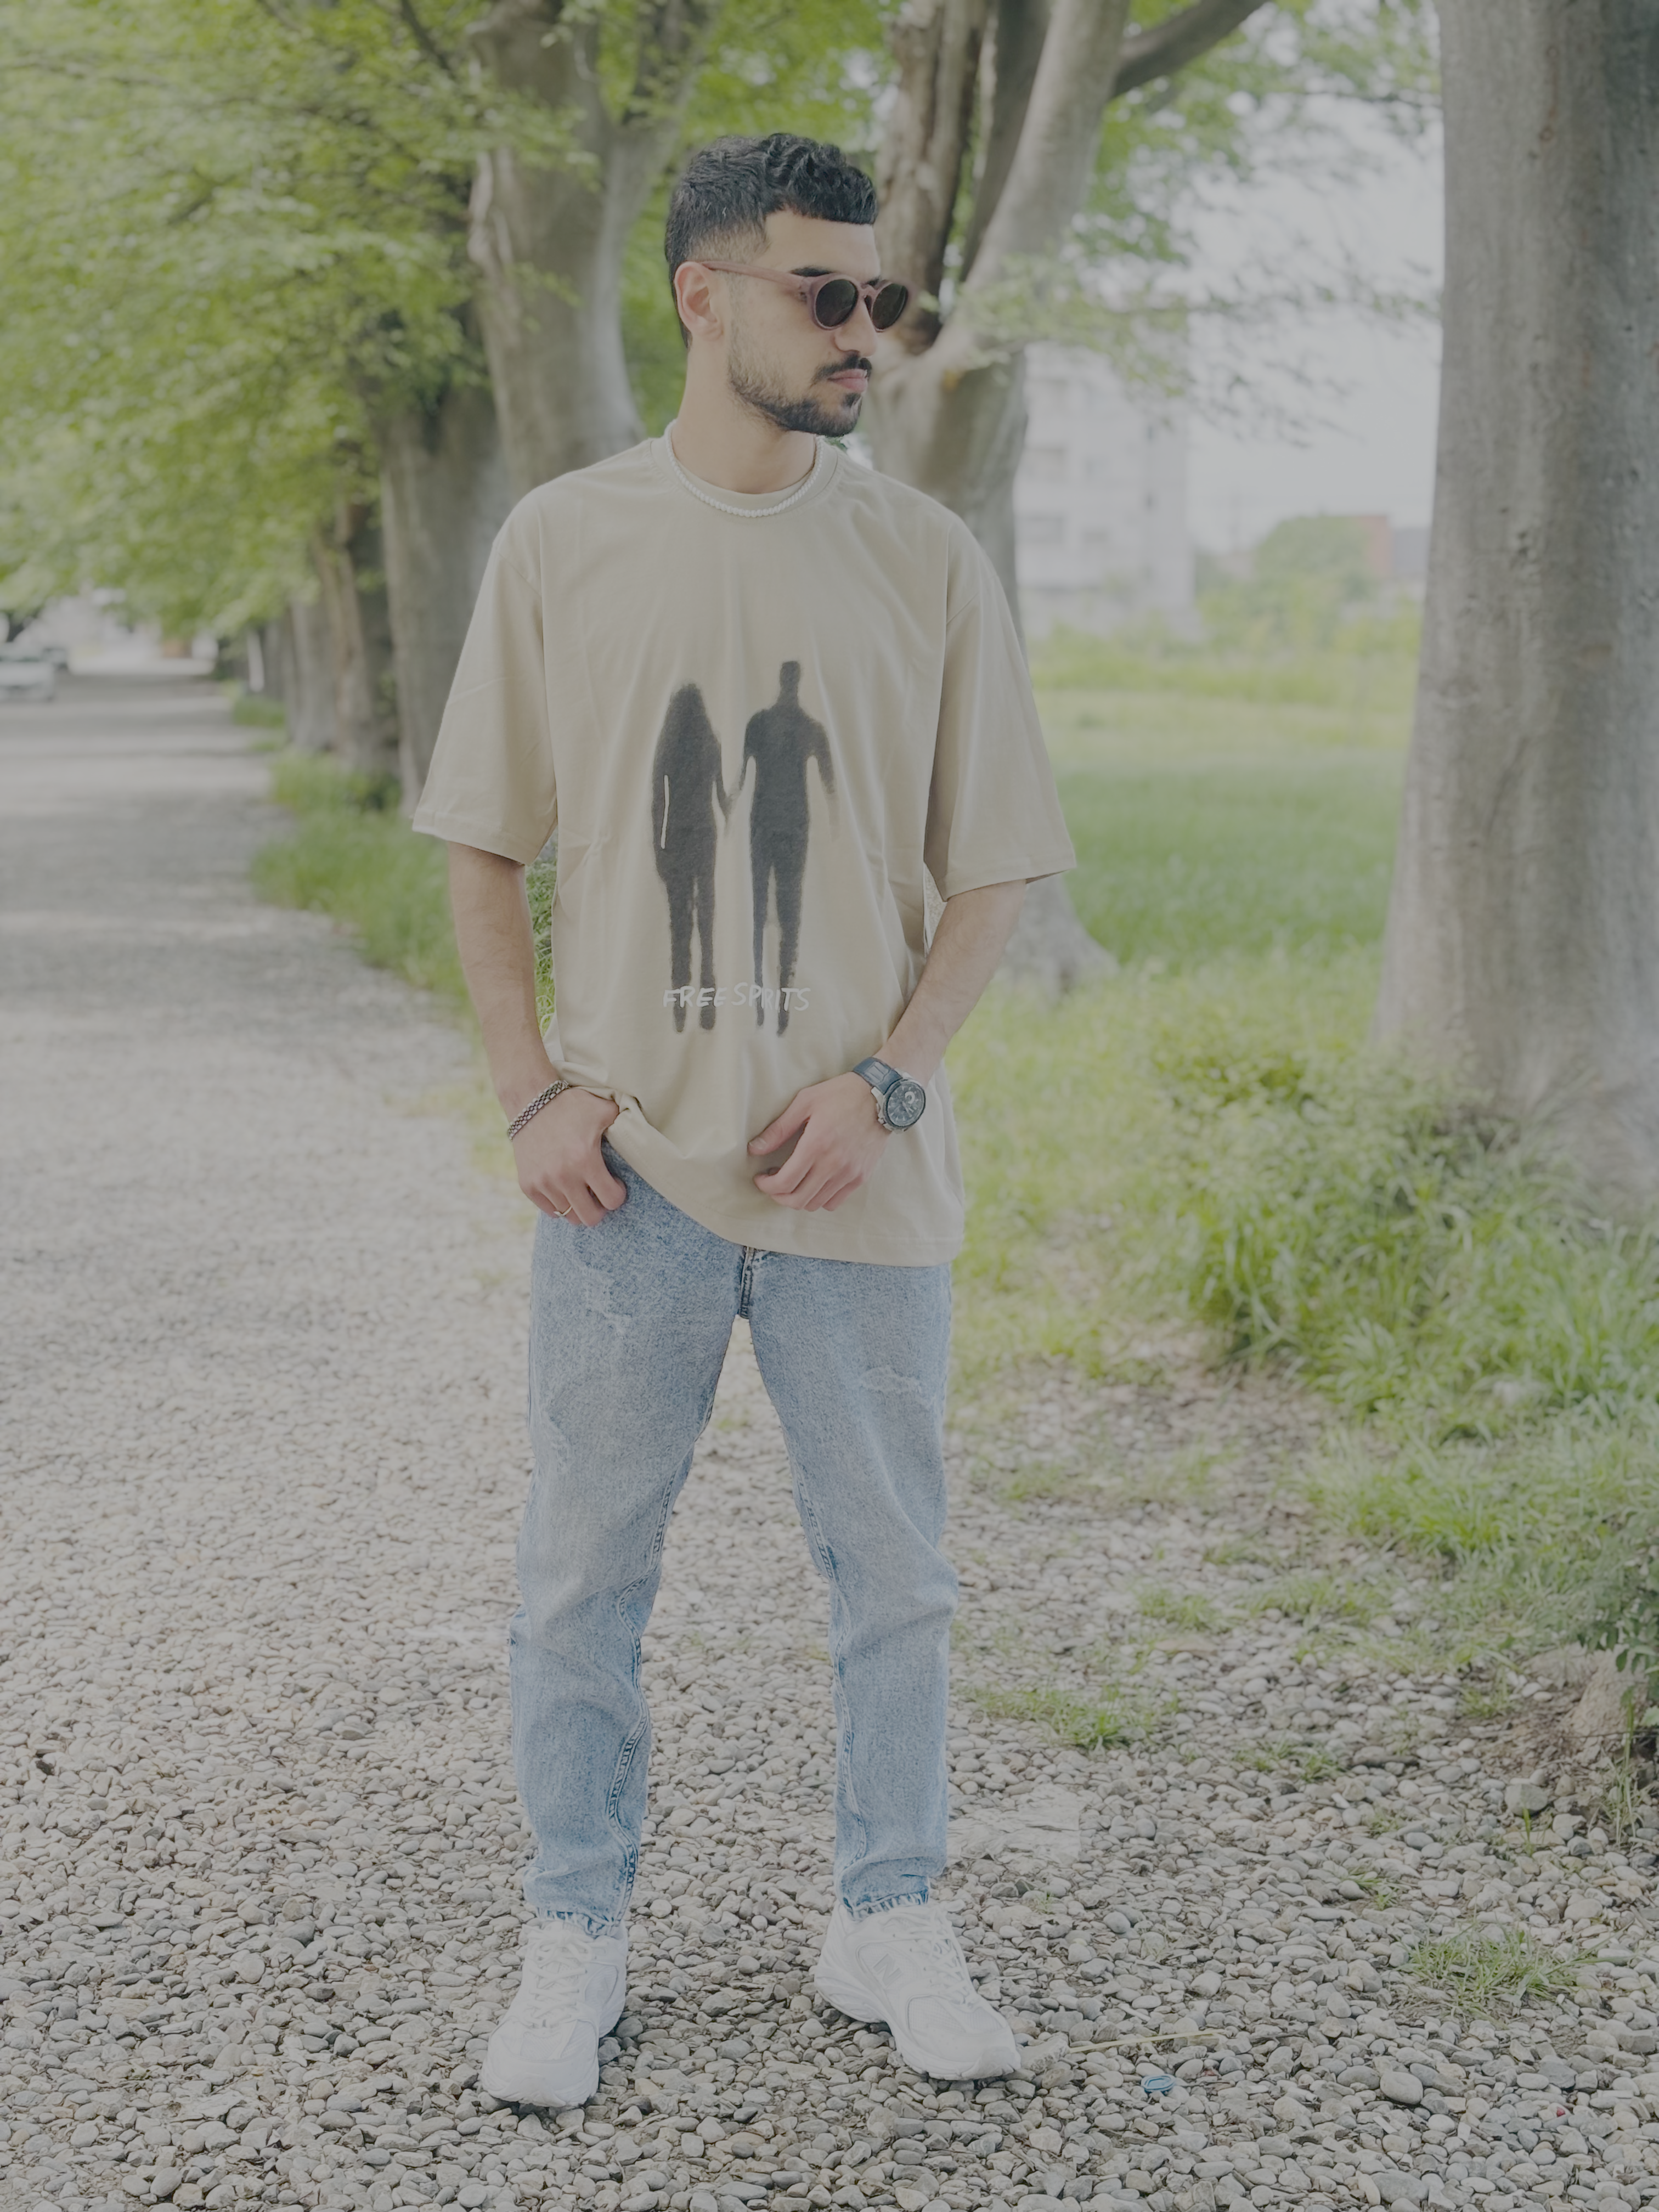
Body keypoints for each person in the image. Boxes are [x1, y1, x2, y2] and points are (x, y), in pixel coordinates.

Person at [412, 130, 1077, 2110]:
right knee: (583, 1567)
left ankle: (888, 1910)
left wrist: (892, 1081)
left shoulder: (921, 556)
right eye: (826, 291)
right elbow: (478, 844)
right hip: (629, 1183)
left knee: (897, 1570)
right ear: (706, 297)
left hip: (853, 1171)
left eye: (882, 296)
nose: (865, 327)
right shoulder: (564, 540)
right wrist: (529, 1092)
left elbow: (999, 870)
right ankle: (575, 1932)